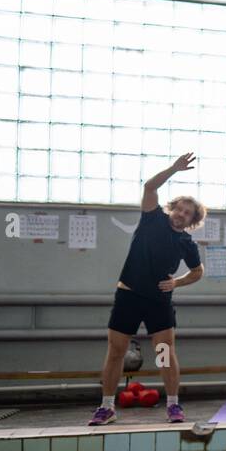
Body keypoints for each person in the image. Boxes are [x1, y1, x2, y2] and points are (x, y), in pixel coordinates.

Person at [88, 153, 206, 426]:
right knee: (116, 351)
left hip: (158, 302)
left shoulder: (187, 242)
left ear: (191, 221)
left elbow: (198, 272)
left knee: (164, 352)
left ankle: (174, 405)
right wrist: (174, 169)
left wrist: (177, 282)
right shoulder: (152, 218)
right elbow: (150, 187)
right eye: (179, 208)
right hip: (128, 295)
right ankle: (106, 407)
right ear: (172, 208)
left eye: (188, 213)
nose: (181, 214)